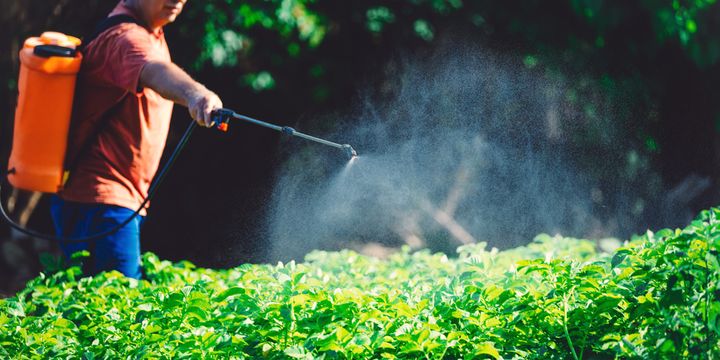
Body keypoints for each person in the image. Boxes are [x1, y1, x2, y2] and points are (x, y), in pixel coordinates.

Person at [50, 0, 222, 279]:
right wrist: (197, 95)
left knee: (101, 306)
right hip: (101, 200)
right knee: (113, 309)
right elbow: (155, 70)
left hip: (114, 200)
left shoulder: (150, 31)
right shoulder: (124, 39)